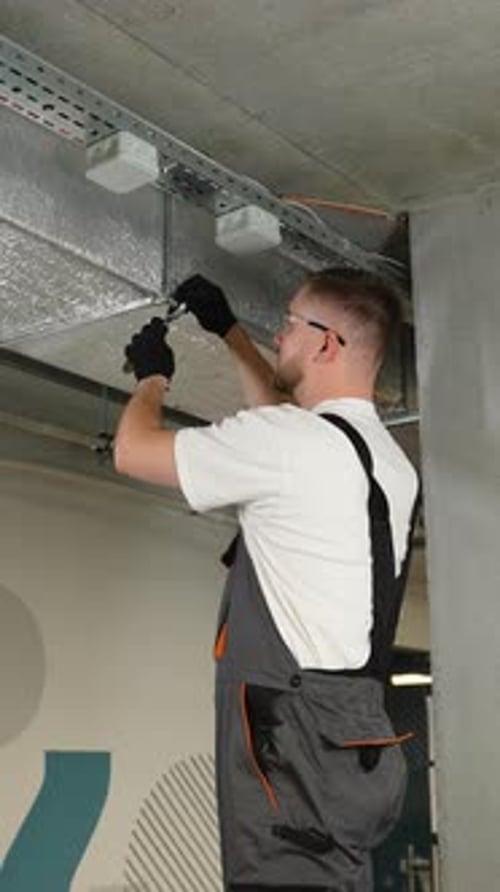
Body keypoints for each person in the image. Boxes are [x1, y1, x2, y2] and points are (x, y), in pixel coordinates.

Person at [114, 268, 419, 892]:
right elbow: (287, 426)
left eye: (288, 324)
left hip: (293, 739)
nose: (279, 338)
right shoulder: (384, 459)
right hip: (352, 733)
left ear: (327, 343)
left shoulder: (290, 444)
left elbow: (133, 449)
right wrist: (227, 331)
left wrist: (152, 376)